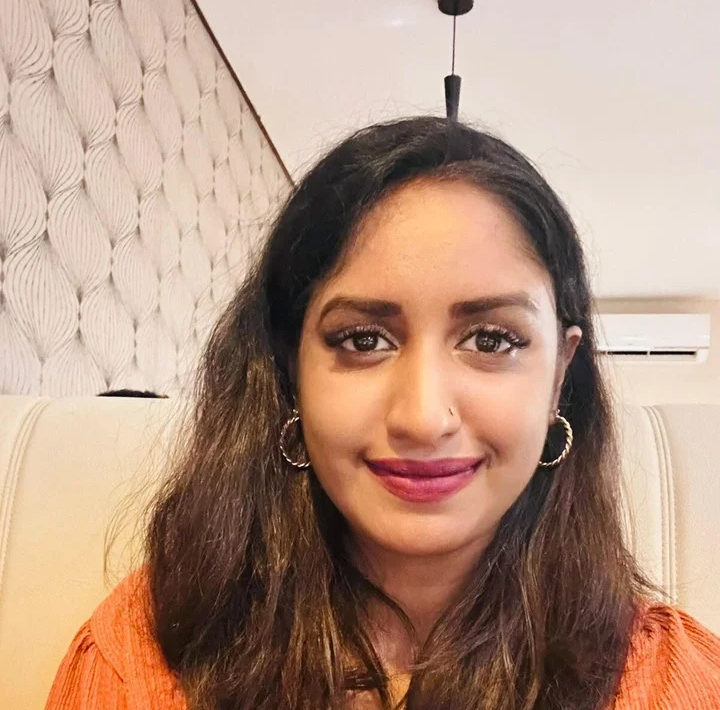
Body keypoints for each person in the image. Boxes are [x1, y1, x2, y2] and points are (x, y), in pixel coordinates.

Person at [46, 117, 720, 709]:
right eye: (363, 340)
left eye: (491, 340)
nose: (423, 419)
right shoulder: (145, 657)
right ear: (291, 370)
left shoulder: (677, 684)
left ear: (558, 379)